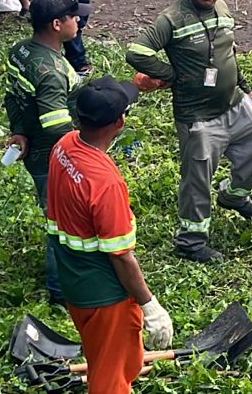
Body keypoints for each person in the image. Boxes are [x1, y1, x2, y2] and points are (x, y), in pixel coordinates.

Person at [126, 0, 252, 261]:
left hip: (234, 101)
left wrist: (246, 87)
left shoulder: (223, 10)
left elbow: (227, 54)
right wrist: (173, 76)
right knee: (198, 178)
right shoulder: (172, 19)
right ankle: (191, 242)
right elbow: (137, 52)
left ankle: (234, 196)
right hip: (198, 116)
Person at [45, 76, 173, 394]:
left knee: (119, 359)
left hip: (75, 281)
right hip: (105, 296)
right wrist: (150, 305)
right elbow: (121, 256)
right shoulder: (104, 184)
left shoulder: (64, 146)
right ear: (119, 121)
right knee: (108, 383)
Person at [4, 0, 81, 302]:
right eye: (72, 16)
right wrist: (87, 139)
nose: (78, 19)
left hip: (31, 145)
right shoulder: (50, 71)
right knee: (59, 223)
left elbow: (13, 95)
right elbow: (55, 124)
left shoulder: (21, 50)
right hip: (50, 156)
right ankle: (59, 290)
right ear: (56, 25)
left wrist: (19, 130)